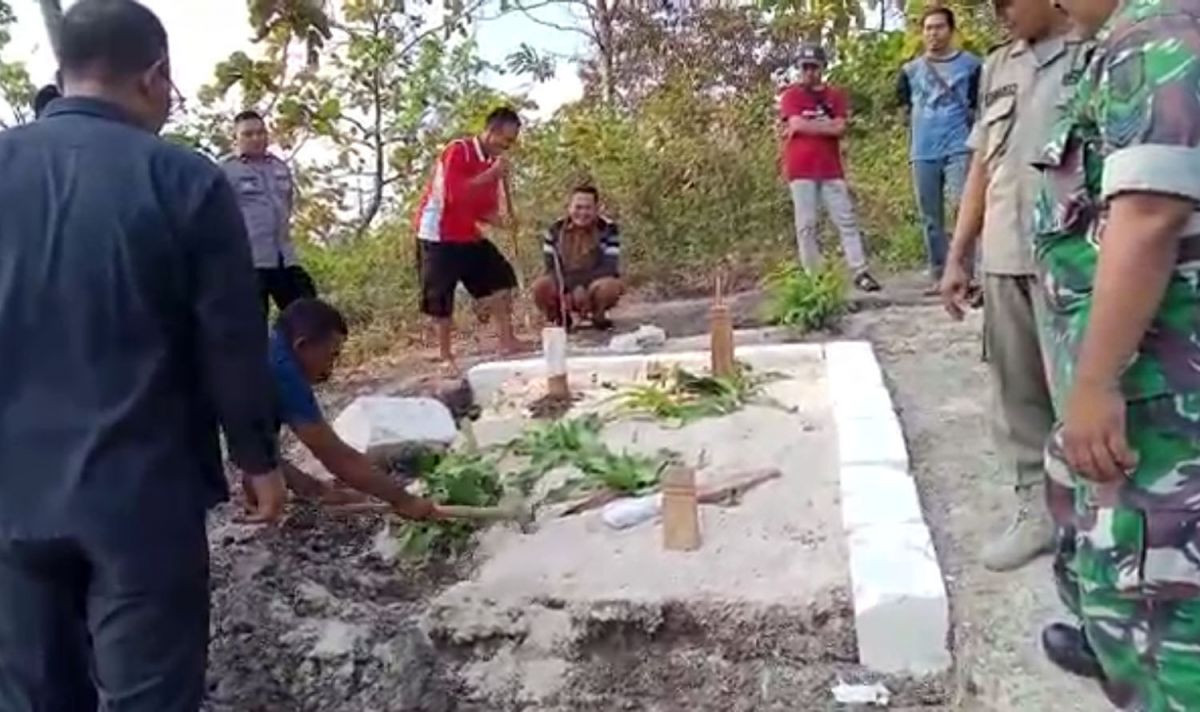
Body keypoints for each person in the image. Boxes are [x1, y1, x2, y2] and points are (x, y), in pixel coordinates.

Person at [0, 1, 285, 710]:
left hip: (10, 493)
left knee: (29, 694)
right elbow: (231, 336)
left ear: (62, 73)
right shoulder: (183, 179)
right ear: (157, 76)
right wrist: (257, 458)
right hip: (142, 495)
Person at [1033, 0, 1200, 706]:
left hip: (1160, 385)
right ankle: (1110, 637)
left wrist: (1097, 382)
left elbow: (1149, 216)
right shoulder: (1126, 39)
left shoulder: (1161, 34)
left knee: (1163, 608)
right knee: (1111, 558)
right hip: (1135, 368)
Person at [941, 0, 1084, 575]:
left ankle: (1096, 527)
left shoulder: (1099, 49)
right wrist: (958, 255)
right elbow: (981, 166)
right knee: (1016, 392)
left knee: (1082, 397)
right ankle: (1037, 513)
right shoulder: (998, 67)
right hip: (1004, 251)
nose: (1000, 12)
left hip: (1074, 255)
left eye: (1008, 2)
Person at [267, 298, 442, 519]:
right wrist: (404, 500)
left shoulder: (264, 349)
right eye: (331, 356)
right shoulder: (283, 374)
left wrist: (316, 491)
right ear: (302, 345)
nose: (330, 369)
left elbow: (260, 452)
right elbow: (337, 456)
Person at [414, 106, 531, 371]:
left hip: (467, 231)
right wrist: (492, 174)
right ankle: (445, 355)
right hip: (438, 232)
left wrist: (504, 222)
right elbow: (456, 196)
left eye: (512, 142)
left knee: (501, 279)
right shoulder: (458, 151)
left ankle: (507, 339)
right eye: (507, 140)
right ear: (491, 132)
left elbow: (482, 210)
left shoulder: (492, 165)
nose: (508, 147)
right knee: (441, 295)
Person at [778, 43, 881, 292]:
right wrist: (822, 127)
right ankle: (814, 277)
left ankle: (860, 271)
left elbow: (839, 128)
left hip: (830, 168)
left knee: (845, 219)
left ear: (822, 67)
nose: (809, 72)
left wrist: (807, 126)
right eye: (805, 67)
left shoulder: (835, 95)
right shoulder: (791, 95)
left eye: (814, 67)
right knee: (807, 225)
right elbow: (797, 124)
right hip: (801, 169)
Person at [898, 6, 982, 292]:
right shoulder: (910, 71)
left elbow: (978, 105)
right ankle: (938, 274)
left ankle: (966, 273)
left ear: (951, 30)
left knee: (964, 208)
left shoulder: (972, 65)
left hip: (960, 144)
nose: (933, 33)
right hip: (923, 149)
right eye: (928, 28)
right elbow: (904, 108)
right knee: (930, 216)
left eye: (939, 27)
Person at [221, 109, 317, 317]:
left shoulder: (279, 167)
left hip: (284, 258)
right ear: (235, 139)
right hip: (249, 263)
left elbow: (287, 205)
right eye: (248, 134)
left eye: (260, 132)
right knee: (251, 329)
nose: (256, 138)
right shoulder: (226, 171)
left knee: (310, 317)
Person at [532, 185, 624, 329]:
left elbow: (609, 267)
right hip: (565, 285)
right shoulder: (554, 229)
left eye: (587, 208)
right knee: (540, 287)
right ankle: (559, 317)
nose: (582, 213)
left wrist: (583, 288)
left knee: (610, 287)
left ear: (596, 209)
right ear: (569, 208)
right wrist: (569, 289)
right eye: (578, 207)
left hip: (594, 285)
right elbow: (551, 267)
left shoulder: (608, 228)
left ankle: (598, 314)